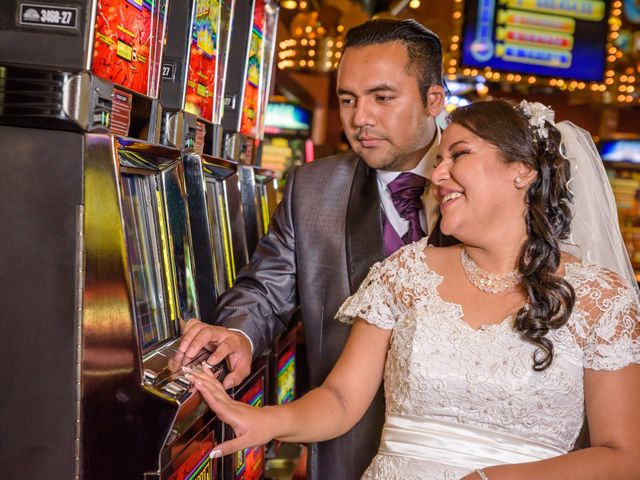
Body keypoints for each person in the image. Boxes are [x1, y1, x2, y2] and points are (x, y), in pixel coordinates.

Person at [184, 99, 640, 479]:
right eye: (438, 159)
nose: (438, 175)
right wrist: (263, 421)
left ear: (522, 170)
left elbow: (623, 456)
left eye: (458, 155)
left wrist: (493, 479)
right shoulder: (406, 271)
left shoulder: (601, 299)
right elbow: (341, 399)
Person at [178, 19, 455, 480]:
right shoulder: (315, 187)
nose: (360, 118)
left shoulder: (483, 180)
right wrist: (239, 333)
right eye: (348, 99)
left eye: (382, 98)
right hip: (346, 442)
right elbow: (266, 288)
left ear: (433, 99)